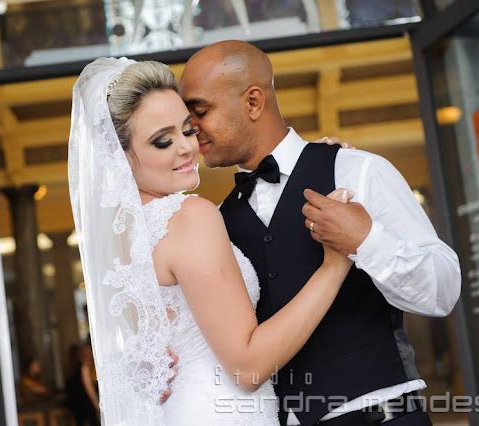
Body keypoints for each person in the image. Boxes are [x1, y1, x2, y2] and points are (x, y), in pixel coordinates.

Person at [178, 40, 462, 426]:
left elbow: (442, 292)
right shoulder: (217, 222)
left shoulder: (357, 171)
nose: (190, 129)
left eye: (200, 111)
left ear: (253, 102)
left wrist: (366, 241)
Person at [68, 57, 354, 425]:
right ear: (118, 156)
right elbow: (249, 367)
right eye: (163, 141)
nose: (187, 148)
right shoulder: (190, 217)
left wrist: (307, 169)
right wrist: (335, 264)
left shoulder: (121, 239)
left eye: (188, 130)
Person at [65, 342, 100, 426]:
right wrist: (97, 405)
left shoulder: (71, 368)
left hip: (78, 404)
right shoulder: (84, 367)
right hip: (85, 404)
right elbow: (89, 389)